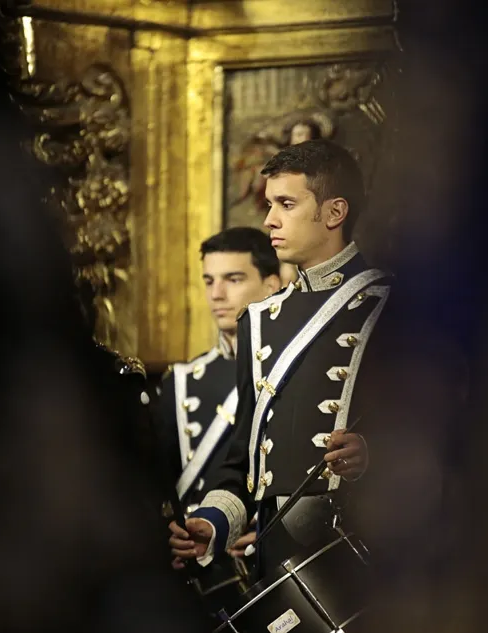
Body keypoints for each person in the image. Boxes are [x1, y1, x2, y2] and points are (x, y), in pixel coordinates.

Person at [169, 140, 389, 587]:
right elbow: (242, 461)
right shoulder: (258, 321)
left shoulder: (391, 304)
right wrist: (212, 523)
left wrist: (373, 455)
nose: (269, 220)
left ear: (334, 212)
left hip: (362, 552)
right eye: (270, 205)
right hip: (278, 556)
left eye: (286, 204)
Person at [159, 228, 281, 600]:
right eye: (209, 280)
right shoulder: (179, 382)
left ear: (272, 285)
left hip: (267, 568)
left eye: (234, 279)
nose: (217, 294)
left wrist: (266, 528)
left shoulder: (287, 372)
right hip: (199, 575)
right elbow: (158, 483)